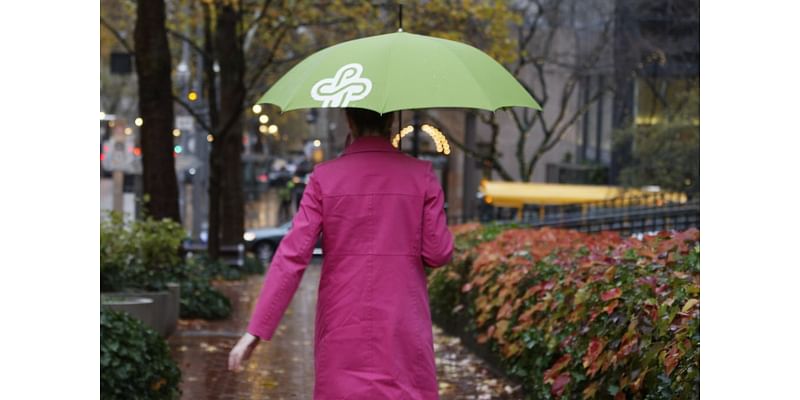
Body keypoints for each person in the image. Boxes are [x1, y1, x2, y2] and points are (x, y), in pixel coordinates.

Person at [228, 107, 454, 399]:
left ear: (349, 121)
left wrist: (256, 330)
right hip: (402, 326)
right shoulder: (421, 176)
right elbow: (438, 253)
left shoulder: (325, 177)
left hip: (342, 323)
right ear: (392, 121)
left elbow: (292, 256)